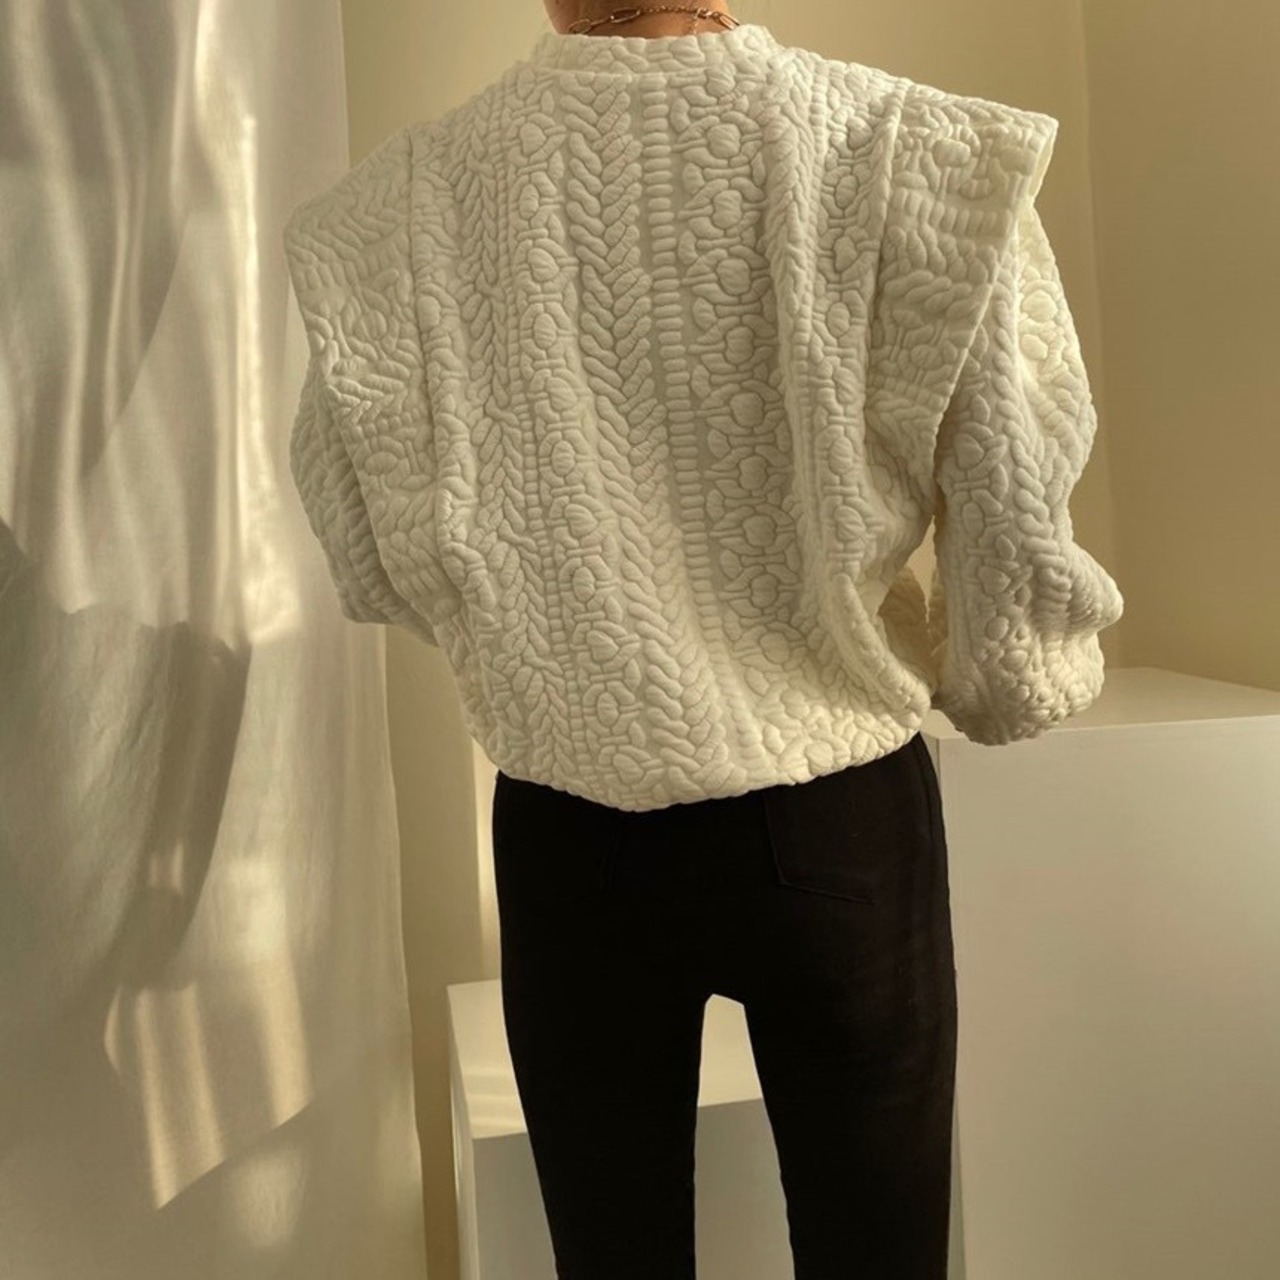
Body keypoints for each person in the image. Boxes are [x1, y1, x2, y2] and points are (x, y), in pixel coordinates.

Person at [283, 3, 1125, 1276]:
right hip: (836, 816)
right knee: (877, 1250)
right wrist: (1004, 679)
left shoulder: (398, 203)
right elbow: (1010, 491)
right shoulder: (903, 146)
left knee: (610, 1251)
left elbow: (363, 539)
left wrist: (551, 639)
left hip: (568, 826)